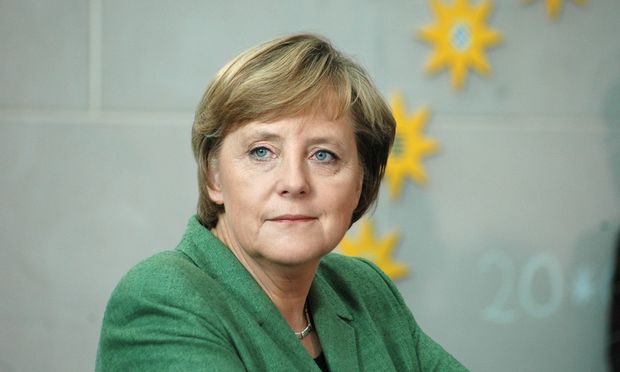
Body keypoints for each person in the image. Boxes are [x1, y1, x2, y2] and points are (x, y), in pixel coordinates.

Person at [96, 33, 467, 371]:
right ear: (214, 176)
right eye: (262, 152)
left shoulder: (364, 291)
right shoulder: (162, 298)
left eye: (323, 155)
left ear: (360, 184)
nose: (293, 183)